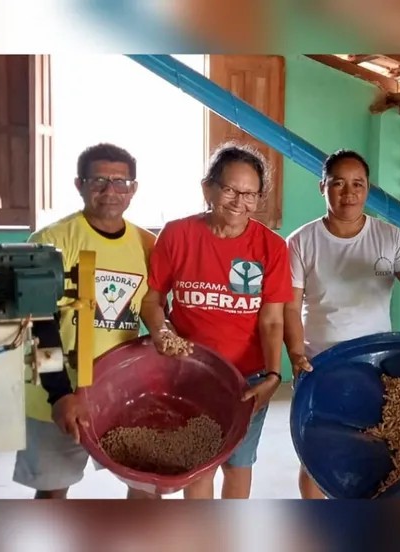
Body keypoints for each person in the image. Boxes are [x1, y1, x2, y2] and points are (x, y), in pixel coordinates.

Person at [283, 149, 400, 499]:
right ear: (322, 187)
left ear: (368, 189)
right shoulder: (301, 242)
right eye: (338, 183)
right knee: (316, 453)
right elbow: (290, 307)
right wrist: (297, 356)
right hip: (320, 363)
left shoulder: (389, 237)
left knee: (372, 451)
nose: (348, 193)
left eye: (358, 184)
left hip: (376, 367)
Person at [140, 143, 292, 499]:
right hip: (190, 372)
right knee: (198, 466)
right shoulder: (177, 235)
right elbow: (153, 300)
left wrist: (273, 375)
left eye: (251, 194)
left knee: (238, 466)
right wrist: (161, 331)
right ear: (207, 188)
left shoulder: (271, 247)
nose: (239, 202)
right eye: (229, 190)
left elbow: (272, 320)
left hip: (247, 379)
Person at [13, 143, 158, 499]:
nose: (110, 191)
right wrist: (61, 394)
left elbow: (155, 308)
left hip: (124, 392)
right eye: (99, 180)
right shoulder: (49, 241)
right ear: (79, 184)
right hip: (55, 394)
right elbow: (39, 324)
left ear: (133, 189)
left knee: (147, 485)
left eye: (121, 182)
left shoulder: (148, 244)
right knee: (51, 491)